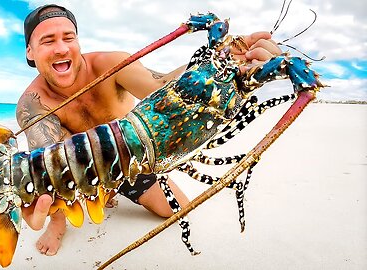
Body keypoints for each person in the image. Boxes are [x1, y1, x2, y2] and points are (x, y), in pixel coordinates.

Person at [16, 4, 282, 256]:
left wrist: (220, 62)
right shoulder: (32, 103)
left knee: (176, 208)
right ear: (29, 51)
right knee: (49, 169)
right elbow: (45, 161)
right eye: (48, 41)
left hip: (137, 161)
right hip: (81, 173)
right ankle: (59, 222)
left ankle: (113, 192)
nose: (61, 48)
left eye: (69, 37)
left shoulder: (112, 65)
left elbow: (163, 85)